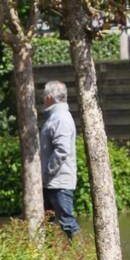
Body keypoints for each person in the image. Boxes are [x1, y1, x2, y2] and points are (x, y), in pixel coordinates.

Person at [40, 80, 80, 238]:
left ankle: (82, 256)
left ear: (50, 97)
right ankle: (49, 258)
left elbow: (62, 150)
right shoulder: (56, 116)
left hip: (58, 181)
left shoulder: (60, 118)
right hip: (53, 181)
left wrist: (48, 172)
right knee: (47, 222)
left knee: (67, 222)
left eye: (44, 96)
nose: (43, 99)